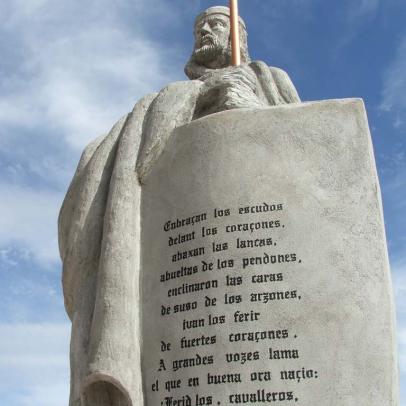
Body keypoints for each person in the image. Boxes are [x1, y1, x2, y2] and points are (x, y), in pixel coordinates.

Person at [59, 6, 300, 406]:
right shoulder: (168, 100)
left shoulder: (270, 80)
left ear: (239, 35)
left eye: (217, 24)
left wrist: (251, 108)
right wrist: (205, 95)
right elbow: (141, 158)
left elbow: (299, 154)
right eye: (199, 26)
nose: (205, 30)